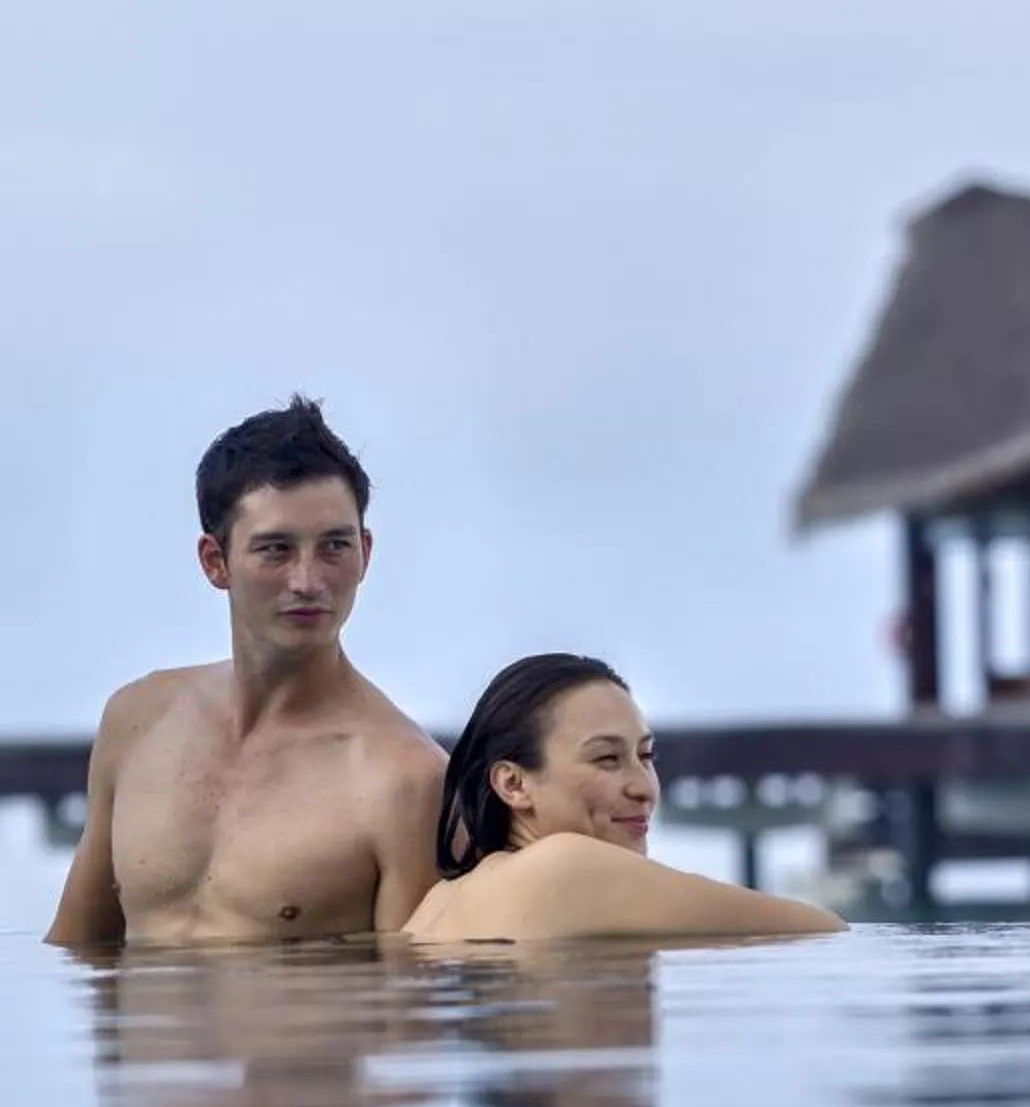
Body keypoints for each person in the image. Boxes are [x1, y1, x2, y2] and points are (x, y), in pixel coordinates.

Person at [46, 397, 445, 947]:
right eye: (276, 549)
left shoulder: (405, 778)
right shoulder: (138, 720)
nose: (308, 580)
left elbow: (410, 1011)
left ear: (366, 553)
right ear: (215, 561)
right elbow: (76, 951)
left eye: (334, 546)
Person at [402, 653, 844, 942]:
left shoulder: (441, 900)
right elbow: (823, 929)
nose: (644, 787)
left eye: (646, 755)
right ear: (513, 785)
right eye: (607, 759)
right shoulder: (564, 866)